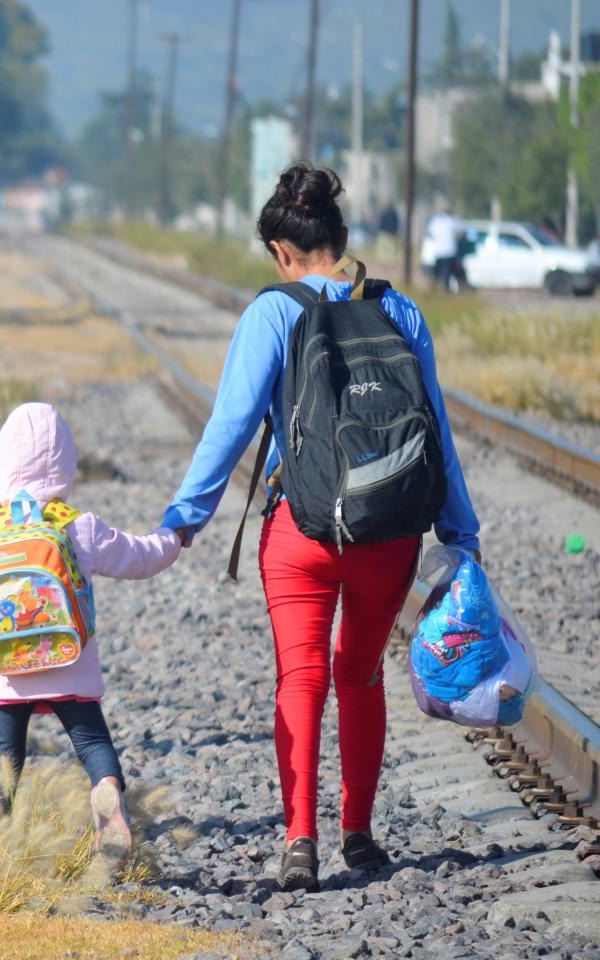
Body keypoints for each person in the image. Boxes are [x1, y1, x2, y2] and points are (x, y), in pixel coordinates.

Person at [162, 163, 481, 892]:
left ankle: (300, 841)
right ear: (341, 238)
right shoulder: (401, 313)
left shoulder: (272, 313)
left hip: (301, 532)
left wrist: (185, 518)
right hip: (389, 533)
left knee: (301, 678)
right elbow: (438, 432)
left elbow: (232, 425)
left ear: (281, 251)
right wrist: (460, 532)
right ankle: (359, 833)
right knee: (361, 675)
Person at [0, 402, 181, 867]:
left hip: (3, 671)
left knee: (2, 759)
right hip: (69, 664)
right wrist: (174, 536)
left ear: (2, 465)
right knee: (91, 744)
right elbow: (140, 558)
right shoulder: (77, 526)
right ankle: (107, 792)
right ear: (67, 464)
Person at [425, 208, 464, 293]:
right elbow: (461, 230)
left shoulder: (435, 221)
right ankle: (446, 290)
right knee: (448, 273)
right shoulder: (451, 221)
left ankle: (433, 289)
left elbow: (429, 233)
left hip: (439, 252)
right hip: (450, 252)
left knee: (436, 274)